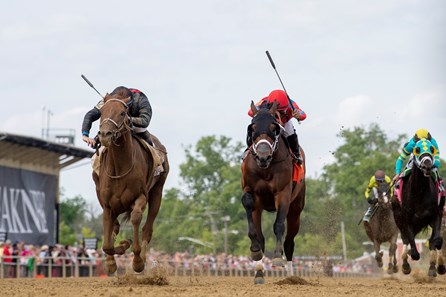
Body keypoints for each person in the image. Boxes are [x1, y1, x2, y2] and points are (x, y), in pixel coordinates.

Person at [247, 89, 306, 165]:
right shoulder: (264, 101)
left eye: (281, 112)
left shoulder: (291, 104)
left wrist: (299, 115)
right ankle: (248, 150)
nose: (278, 113)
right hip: (269, 122)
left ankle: (296, 154)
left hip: (285, 122)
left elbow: (303, 115)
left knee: (290, 132)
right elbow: (250, 112)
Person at [82, 86, 153, 147]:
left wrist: (127, 119)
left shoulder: (141, 100)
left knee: (148, 142)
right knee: (96, 146)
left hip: (136, 126)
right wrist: (85, 135)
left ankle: (155, 159)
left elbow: (145, 121)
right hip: (114, 126)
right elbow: (90, 115)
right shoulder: (109, 100)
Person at [392, 128, 444, 196]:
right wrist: (397, 174)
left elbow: (437, 161)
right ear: (416, 140)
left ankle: (440, 187)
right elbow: (400, 159)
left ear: (429, 140)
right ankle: (398, 186)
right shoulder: (411, 144)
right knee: (404, 173)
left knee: (437, 175)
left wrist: (432, 165)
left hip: (430, 159)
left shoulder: (433, 142)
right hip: (416, 159)